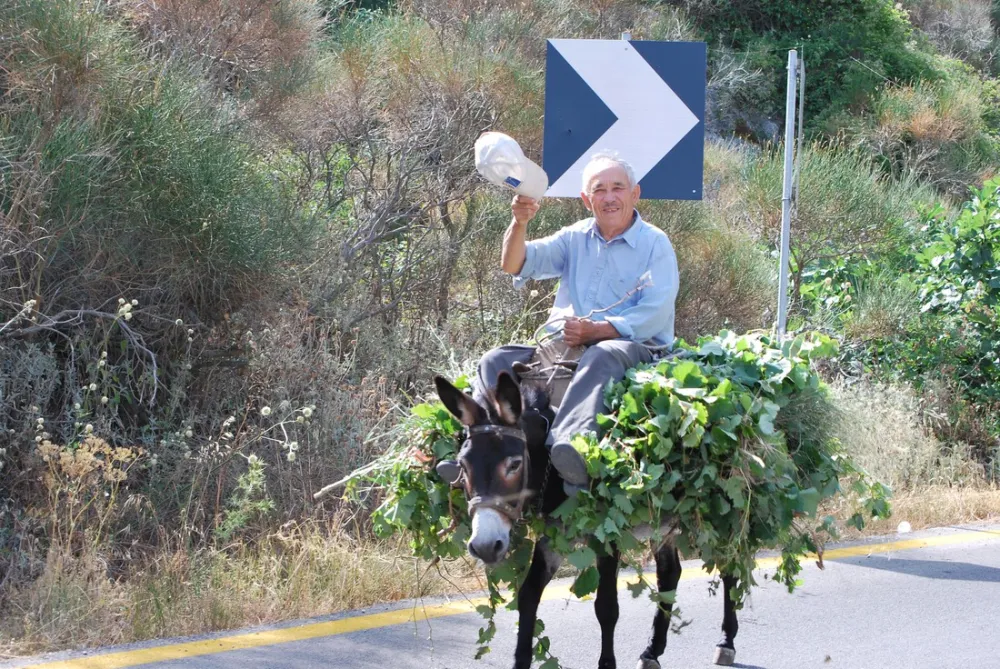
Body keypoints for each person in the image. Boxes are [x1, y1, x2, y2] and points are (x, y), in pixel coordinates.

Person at [474, 151, 680, 494]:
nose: (609, 197)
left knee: (602, 354)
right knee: (495, 360)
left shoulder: (655, 244)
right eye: (599, 190)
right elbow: (516, 263)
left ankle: (570, 447)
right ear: (587, 200)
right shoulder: (574, 237)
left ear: (635, 193)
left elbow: (654, 313)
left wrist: (597, 331)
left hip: (631, 350)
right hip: (563, 346)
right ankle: (481, 441)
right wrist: (519, 223)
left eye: (618, 188)